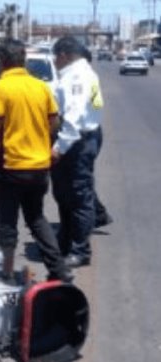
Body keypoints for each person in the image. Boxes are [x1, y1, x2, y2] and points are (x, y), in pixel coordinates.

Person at [0, 38, 73, 283]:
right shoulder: (41, 87)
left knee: (7, 223)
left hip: (11, 168)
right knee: (37, 219)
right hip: (39, 168)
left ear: (2, 62)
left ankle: (8, 274)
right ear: (24, 61)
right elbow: (54, 122)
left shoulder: (1, 88)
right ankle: (59, 270)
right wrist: (43, 143)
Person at [51, 36, 105, 268]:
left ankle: (80, 251)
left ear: (64, 55)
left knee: (78, 197)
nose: (54, 61)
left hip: (77, 141)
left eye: (55, 56)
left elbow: (73, 118)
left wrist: (58, 148)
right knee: (65, 194)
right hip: (86, 137)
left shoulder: (77, 77)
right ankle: (65, 239)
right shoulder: (85, 73)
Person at [79, 45, 114, 229]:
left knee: (81, 180)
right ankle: (99, 214)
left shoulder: (82, 79)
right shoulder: (92, 77)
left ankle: (97, 215)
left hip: (85, 134)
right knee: (85, 179)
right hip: (94, 131)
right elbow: (97, 103)